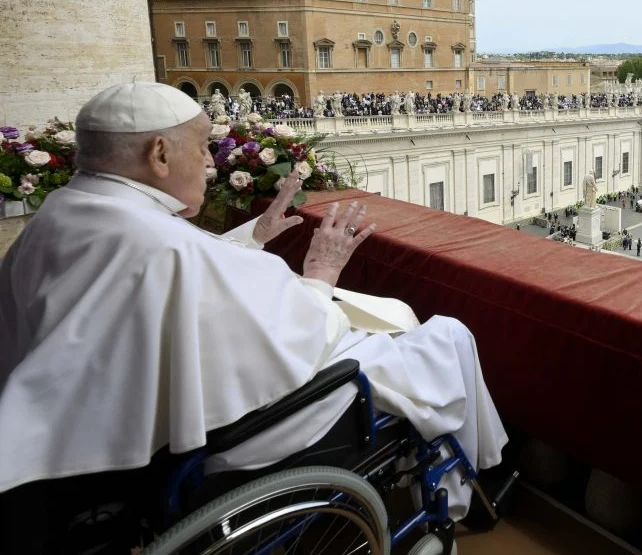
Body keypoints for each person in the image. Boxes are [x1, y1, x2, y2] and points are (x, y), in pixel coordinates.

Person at [0, 82, 507, 518]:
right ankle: (462, 483)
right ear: (158, 154)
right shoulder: (163, 241)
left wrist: (254, 236)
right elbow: (298, 332)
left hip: (115, 425)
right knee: (446, 335)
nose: (207, 162)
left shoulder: (68, 209)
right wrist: (322, 270)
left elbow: (180, 280)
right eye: (201, 148)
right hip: (247, 428)